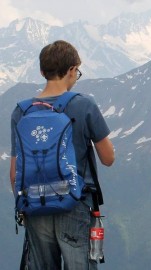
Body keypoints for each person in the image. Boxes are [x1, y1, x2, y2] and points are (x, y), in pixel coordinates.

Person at [9, 40, 115, 270]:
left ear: (41, 71)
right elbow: (108, 158)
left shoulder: (22, 111)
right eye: (77, 71)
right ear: (71, 70)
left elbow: (15, 172)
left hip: (35, 204)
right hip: (75, 203)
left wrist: (24, 205)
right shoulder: (84, 104)